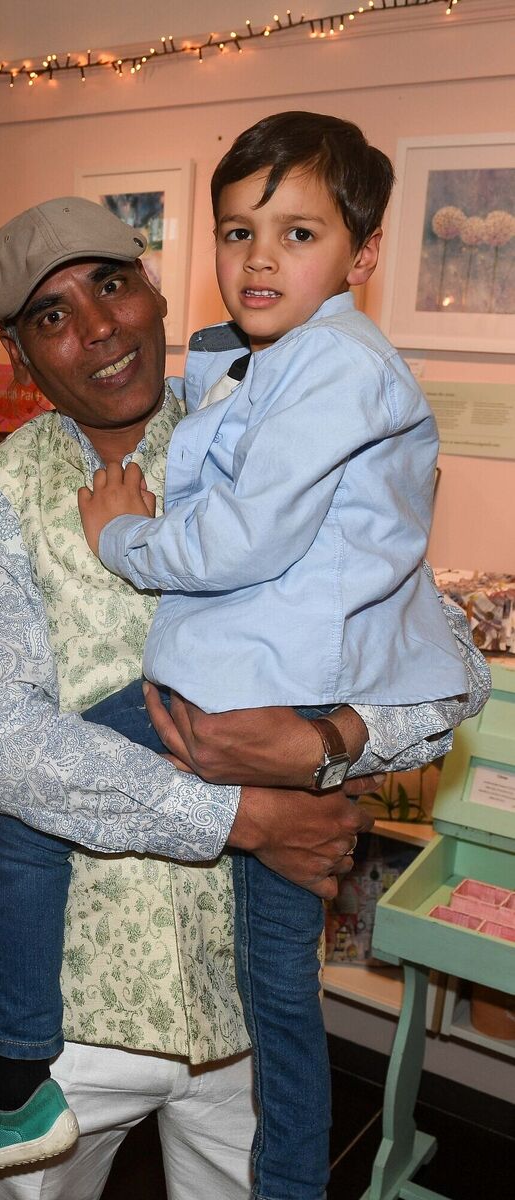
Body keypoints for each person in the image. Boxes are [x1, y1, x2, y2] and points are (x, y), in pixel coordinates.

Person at [0, 197, 489, 1197]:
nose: (98, 328)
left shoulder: (279, 441)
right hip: (67, 1022)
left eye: (111, 285)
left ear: (153, 291)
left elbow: (453, 678)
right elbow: (2, 750)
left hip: (244, 1014)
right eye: (52, 316)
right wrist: (246, 816)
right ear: (21, 360)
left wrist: (330, 740)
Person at [73, 111, 468, 1199]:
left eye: (297, 234)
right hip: (254, 713)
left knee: (280, 998)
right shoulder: (268, 365)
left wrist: (121, 537)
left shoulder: (331, 365)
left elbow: (248, 541)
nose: (259, 258)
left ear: (364, 252)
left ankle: (10, 1062)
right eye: (239, 231)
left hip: (262, 699)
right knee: (281, 995)